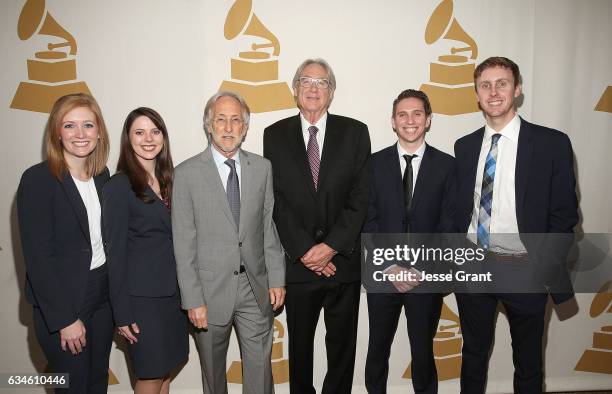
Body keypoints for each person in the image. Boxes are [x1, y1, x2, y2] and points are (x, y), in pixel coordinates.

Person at [454, 56, 578, 393]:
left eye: (502, 83)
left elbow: (564, 215)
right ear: (477, 94)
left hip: (525, 268)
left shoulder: (552, 144)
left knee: (528, 362)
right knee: (473, 355)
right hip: (474, 266)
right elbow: (458, 210)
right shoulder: (464, 147)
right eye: (485, 85)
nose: (494, 92)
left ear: (517, 89)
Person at [263, 58, 371, 394]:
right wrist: (306, 251)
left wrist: (330, 247)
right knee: (299, 351)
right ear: (294, 90)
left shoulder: (355, 132)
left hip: (343, 261)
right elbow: (275, 200)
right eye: (305, 81)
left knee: (342, 350)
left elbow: (360, 197)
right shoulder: (274, 135)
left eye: (321, 82)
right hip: (299, 265)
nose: (313, 88)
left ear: (332, 92)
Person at [172, 91, 286, 394]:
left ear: (245, 128)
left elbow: (267, 228)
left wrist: (277, 278)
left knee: (261, 375)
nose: (228, 127)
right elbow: (183, 246)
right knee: (213, 374)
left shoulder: (262, 169)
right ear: (209, 125)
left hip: (254, 287)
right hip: (208, 294)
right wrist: (193, 300)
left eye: (236, 120)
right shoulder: (185, 174)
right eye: (220, 119)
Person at [17, 93, 112, 393]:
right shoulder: (38, 180)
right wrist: (64, 320)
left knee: (97, 383)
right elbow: (39, 259)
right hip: (64, 303)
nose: (80, 134)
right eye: (70, 126)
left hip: (102, 297)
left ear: (99, 131)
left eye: (88, 125)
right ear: (57, 131)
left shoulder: (102, 176)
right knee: (74, 388)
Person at [364, 89, 455, 394]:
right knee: (377, 350)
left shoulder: (447, 166)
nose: (410, 120)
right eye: (402, 114)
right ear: (393, 121)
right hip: (382, 274)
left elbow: (449, 225)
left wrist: (422, 271)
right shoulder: (373, 164)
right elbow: (368, 219)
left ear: (428, 120)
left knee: (423, 353)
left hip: (426, 279)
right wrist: (389, 265)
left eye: (417, 114)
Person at [103, 107, 188, 393]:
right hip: (141, 301)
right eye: (139, 132)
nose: (148, 139)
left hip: (173, 295)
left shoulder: (171, 180)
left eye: (155, 131)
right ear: (128, 139)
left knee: (164, 373)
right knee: (150, 375)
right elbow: (114, 255)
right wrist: (122, 313)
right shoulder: (119, 186)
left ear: (163, 136)